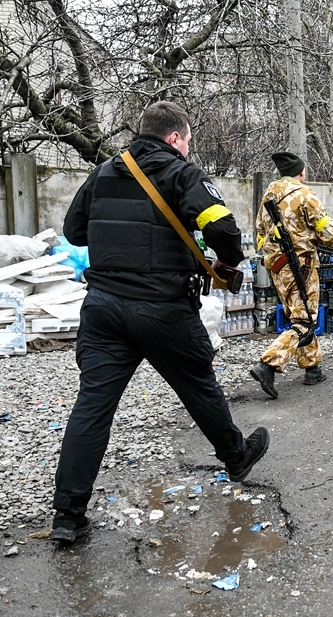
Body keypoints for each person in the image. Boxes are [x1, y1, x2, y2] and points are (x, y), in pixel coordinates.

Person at [52, 101, 268, 544]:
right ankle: (236, 456)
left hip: (105, 308)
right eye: (187, 140)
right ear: (175, 138)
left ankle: (68, 516)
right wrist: (227, 261)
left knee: (92, 408)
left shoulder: (104, 172)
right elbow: (225, 233)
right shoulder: (182, 173)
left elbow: (74, 232)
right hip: (163, 308)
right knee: (198, 386)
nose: (188, 148)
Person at [250, 152, 333, 398]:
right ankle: (268, 364)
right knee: (304, 320)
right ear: (302, 172)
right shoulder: (305, 195)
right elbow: (326, 230)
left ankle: (312, 368)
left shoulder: (268, 194)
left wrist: (272, 255)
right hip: (301, 266)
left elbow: (259, 232)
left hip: (276, 266)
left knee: (299, 313)